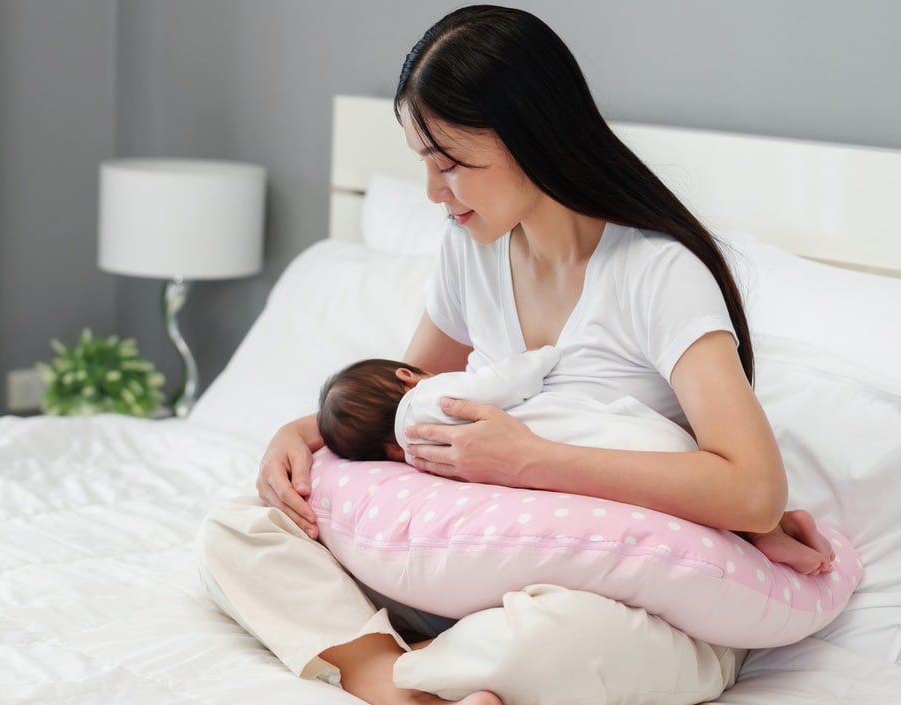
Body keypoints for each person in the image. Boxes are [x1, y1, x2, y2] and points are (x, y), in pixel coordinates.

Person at [199, 6, 834, 704]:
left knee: (558, 639)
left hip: (614, 600)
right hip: (471, 572)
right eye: (425, 163)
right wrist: (300, 432)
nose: (435, 192)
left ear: (534, 138)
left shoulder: (657, 273)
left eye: (451, 164)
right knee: (240, 528)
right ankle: (409, 681)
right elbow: (409, 399)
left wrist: (530, 459)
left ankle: (446, 661)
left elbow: (753, 489)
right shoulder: (471, 248)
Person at [317, 352, 834, 575]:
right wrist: (541, 358)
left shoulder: (413, 452)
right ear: (409, 376)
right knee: (692, 499)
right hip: (638, 444)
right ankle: (775, 532)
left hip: (626, 460)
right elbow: (500, 383)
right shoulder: (431, 398)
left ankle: (770, 533)